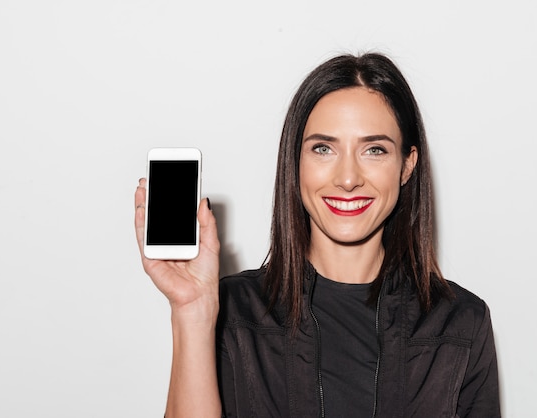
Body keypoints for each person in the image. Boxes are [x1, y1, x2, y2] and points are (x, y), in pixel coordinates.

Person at [134, 52, 500, 418]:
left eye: (374, 150)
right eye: (323, 148)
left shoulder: (461, 324)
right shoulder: (232, 312)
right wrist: (192, 311)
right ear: (296, 162)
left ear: (407, 165)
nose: (347, 178)